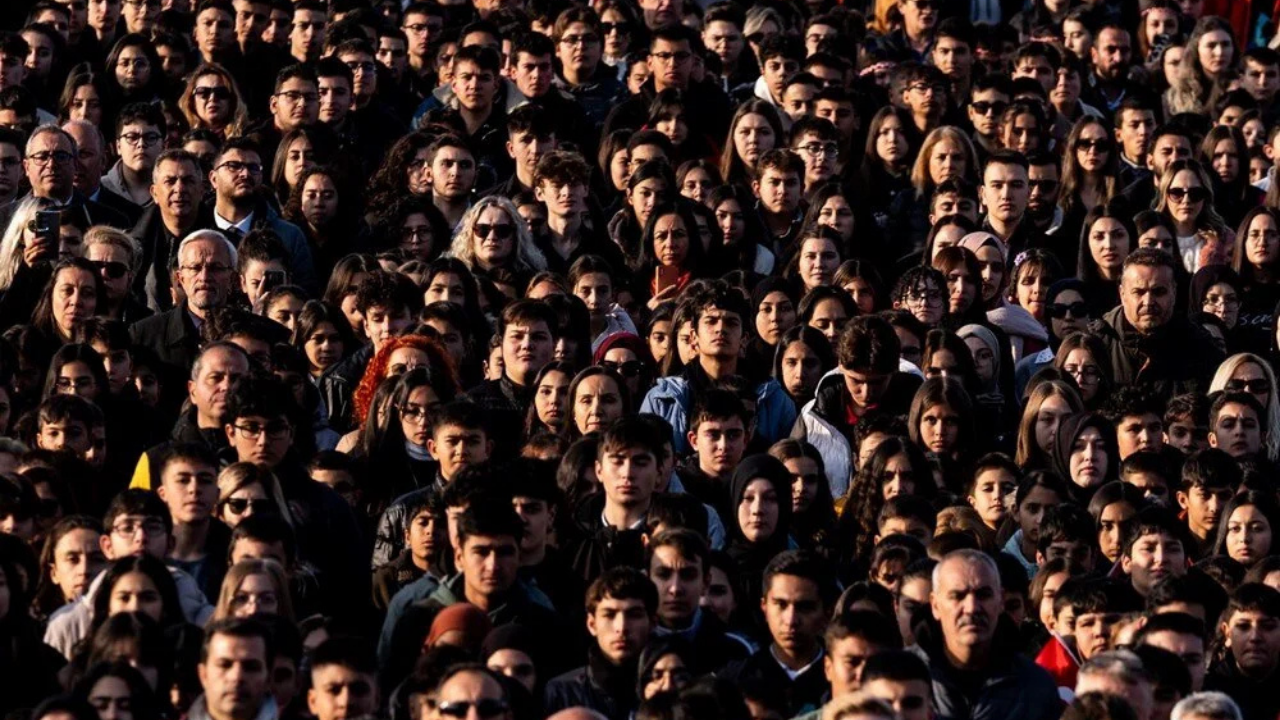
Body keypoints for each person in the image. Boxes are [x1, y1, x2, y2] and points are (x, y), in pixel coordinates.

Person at [913, 550, 1060, 720]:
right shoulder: (902, 678)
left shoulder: (1036, 687)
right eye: (957, 596)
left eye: (983, 595)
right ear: (935, 606)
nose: (972, 607)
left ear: (1000, 601)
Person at [1090, 248, 1226, 398]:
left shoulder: (1202, 349)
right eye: (1139, 292)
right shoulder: (1095, 344)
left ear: (1174, 292)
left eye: (1159, 291)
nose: (1148, 302)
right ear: (1122, 294)